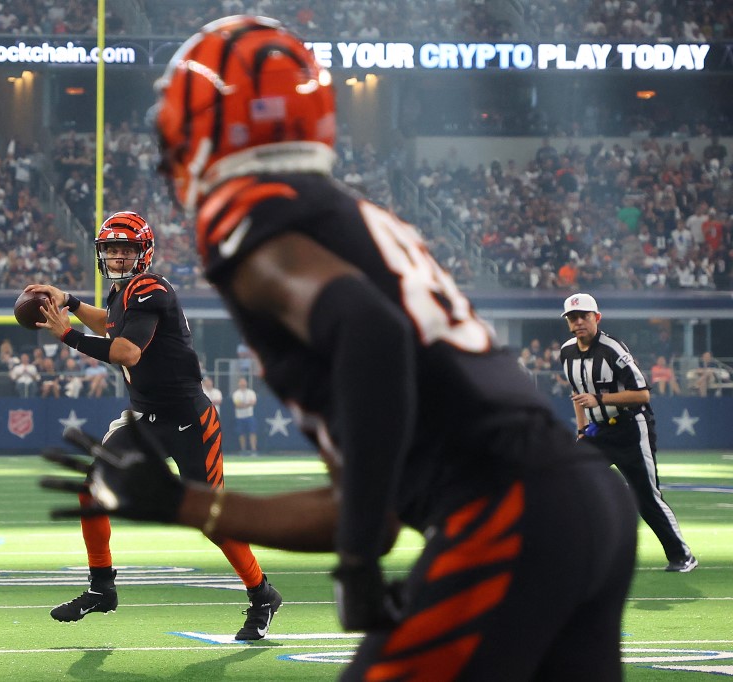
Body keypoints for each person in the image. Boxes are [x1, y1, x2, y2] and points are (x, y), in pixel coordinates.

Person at [42, 16, 639, 681]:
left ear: (203, 129)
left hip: (509, 516)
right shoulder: (345, 216)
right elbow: (365, 508)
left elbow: (371, 333)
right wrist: (185, 504)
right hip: (585, 504)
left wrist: (356, 562)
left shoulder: (252, 216)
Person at [26, 210, 282, 640]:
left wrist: (67, 335)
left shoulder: (150, 289)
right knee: (91, 492)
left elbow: (126, 352)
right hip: (144, 418)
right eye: (111, 250)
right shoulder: (123, 293)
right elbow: (109, 325)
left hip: (187, 421)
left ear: (143, 253)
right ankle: (101, 588)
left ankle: (262, 595)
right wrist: (68, 300)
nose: (118, 257)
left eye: (126, 250)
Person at [560, 292, 696, 572]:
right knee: (570, 485)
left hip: (631, 428)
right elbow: (577, 392)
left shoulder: (612, 350)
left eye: (584, 316)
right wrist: (582, 428)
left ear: (596, 318)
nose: (578, 323)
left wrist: (601, 400)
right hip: (597, 431)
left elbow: (643, 394)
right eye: (573, 318)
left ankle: (682, 555)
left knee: (646, 496)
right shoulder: (567, 352)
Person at [230, 377, 258, 454]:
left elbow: (253, 402)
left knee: (252, 432)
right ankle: (243, 450)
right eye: (241, 382)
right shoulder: (236, 393)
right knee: (241, 433)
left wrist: (243, 404)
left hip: (250, 415)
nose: (243, 384)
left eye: (244, 382)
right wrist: (247, 404)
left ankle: (253, 450)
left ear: (246, 383)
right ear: (239, 384)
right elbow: (237, 405)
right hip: (239, 417)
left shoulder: (251, 392)